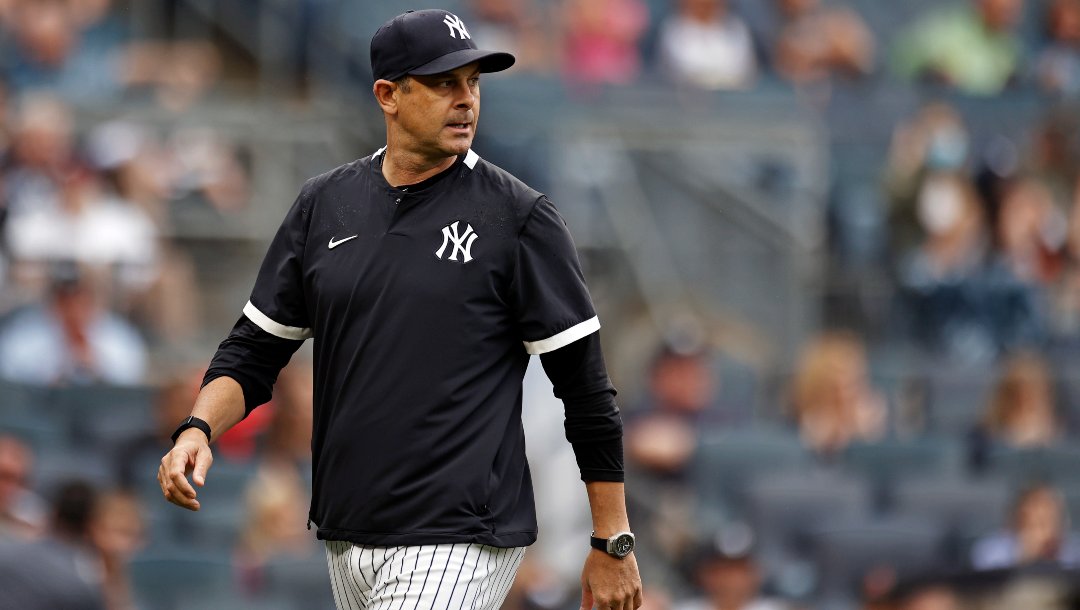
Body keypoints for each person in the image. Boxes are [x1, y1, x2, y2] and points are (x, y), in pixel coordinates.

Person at [157, 9, 642, 610]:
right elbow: (255, 349)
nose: (465, 100)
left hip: (459, 531)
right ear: (388, 94)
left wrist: (611, 540)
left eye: (473, 83)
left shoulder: (518, 217)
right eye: (444, 84)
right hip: (347, 530)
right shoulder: (324, 204)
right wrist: (199, 428)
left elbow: (588, 391)